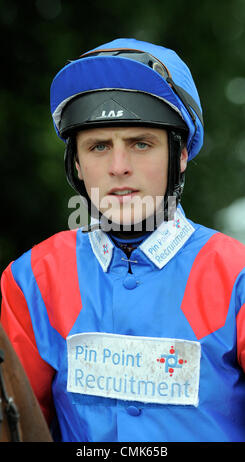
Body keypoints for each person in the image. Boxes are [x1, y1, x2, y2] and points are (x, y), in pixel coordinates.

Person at [1, 38, 245, 443]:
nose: (119, 168)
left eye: (141, 144)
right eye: (99, 147)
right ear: (77, 162)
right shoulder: (30, 280)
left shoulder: (238, 274)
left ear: (180, 154)